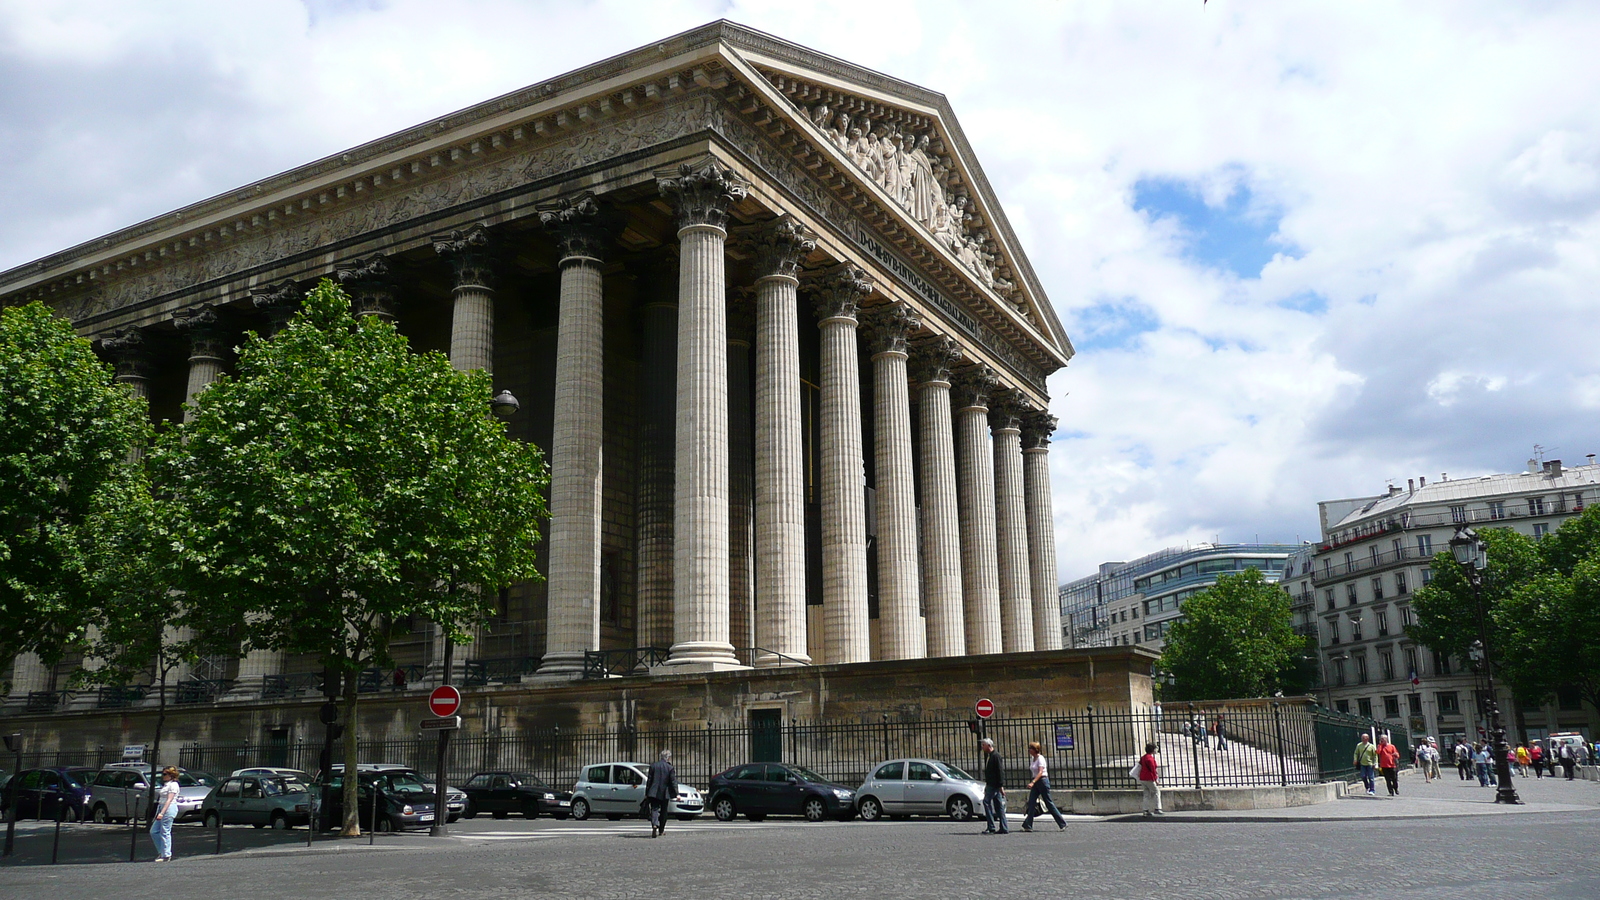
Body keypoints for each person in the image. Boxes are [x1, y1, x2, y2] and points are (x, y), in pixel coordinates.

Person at [1020, 741, 1066, 832]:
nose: (1029, 750)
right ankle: (1028, 825)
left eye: (1030, 748)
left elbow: (1041, 772)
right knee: (1032, 803)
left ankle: (1062, 823)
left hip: (1042, 781)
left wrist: (1033, 782)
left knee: (1048, 803)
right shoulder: (1033, 759)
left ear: (1035, 750)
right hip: (1037, 782)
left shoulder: (1040, 758)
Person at [149, 766, 180, 862]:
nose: (163, 776)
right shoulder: (167, 785)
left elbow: (169, 800)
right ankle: (161, 852)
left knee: (165, 831)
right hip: (161, 807)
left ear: (171, 775)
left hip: (169, 808)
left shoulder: (174, 785)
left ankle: (166, 855)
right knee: (153, 831)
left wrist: (162, 813)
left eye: (165, 774)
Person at [644, 749, 677, 838]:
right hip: (665, 792)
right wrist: (676, 793)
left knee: (654, 809)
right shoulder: (670, 768)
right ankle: (661, 830)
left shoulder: (654, 766)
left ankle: (655, 824)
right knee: (664, 811)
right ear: (668, 758)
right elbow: (673, 781)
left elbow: (649, 781)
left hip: (654, 792)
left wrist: (647, 793)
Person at [980, 738, 1008, 834]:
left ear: (988, 745)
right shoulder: (990, 756)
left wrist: (1000, 785)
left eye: (983, 745)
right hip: (992, 784)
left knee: (986, 802)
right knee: (998, 806)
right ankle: (1004, 827)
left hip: (994, 785)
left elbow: (1000, 772)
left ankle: (991, 826)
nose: (982, 747)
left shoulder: (995, 756)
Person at [1137, 742, 1163, 817]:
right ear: (1152, 750)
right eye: (1155, 748)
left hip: (1143, 778)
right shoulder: (1150, 758)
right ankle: (1157, 808)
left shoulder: (1144, 757)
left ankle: (1145, 810)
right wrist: (1156, 780)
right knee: (1156, 792)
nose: (1156, 750)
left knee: (1146, 794)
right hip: (1149, 778)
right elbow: (1153, 770)